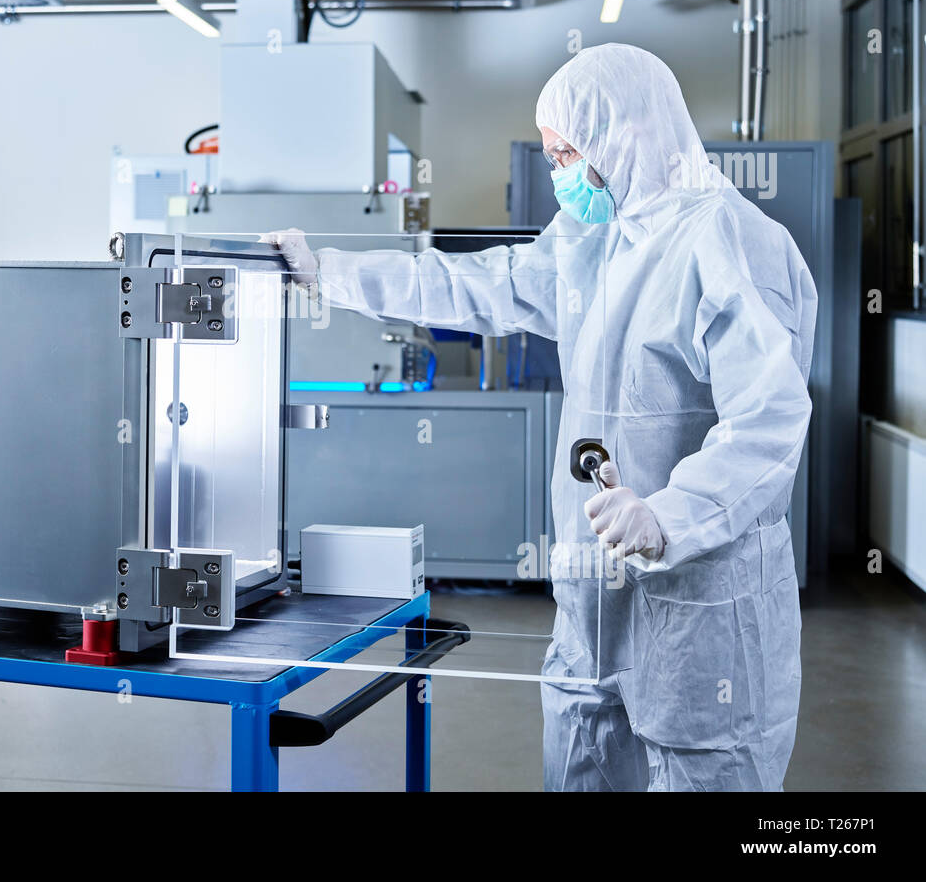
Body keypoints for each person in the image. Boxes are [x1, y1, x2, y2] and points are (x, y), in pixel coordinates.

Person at [263, 43, 817, 792]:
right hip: (595, 592)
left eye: (568, 151)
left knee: (706, 765)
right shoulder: (597, 239)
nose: (561, 174)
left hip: (701, 601)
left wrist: (670, 516)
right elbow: (476, 285)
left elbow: (769, 421)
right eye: (552, 154)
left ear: (625, 134)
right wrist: (333, 271)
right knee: (583, 755)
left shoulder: (731, 241)